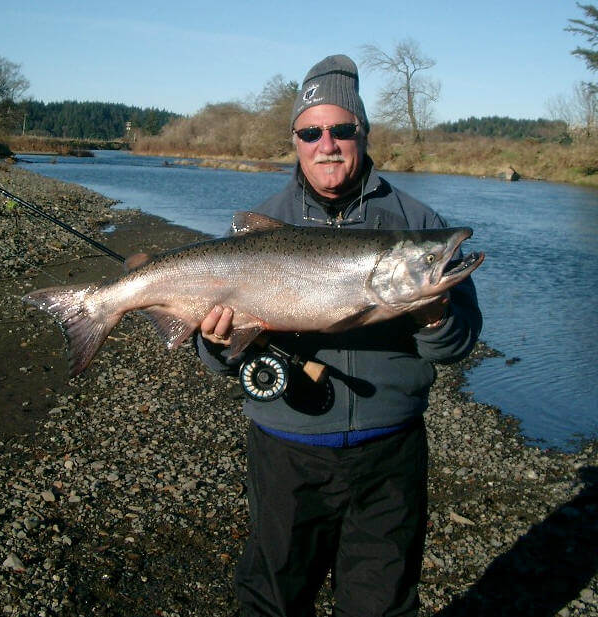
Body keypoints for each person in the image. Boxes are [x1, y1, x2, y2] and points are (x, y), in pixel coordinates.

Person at [195, 54, 482, 617]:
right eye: (310, 132)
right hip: (285, 451)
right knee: (273, 600)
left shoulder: (416, 222)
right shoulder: (261, 221)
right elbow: (218, 359)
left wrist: (432, 316)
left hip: (389, 453)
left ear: (362, 132)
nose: (326, 144)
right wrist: (215, 340)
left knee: (382, 605)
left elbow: (459, 346)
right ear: (296, 141)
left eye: (341, 129)